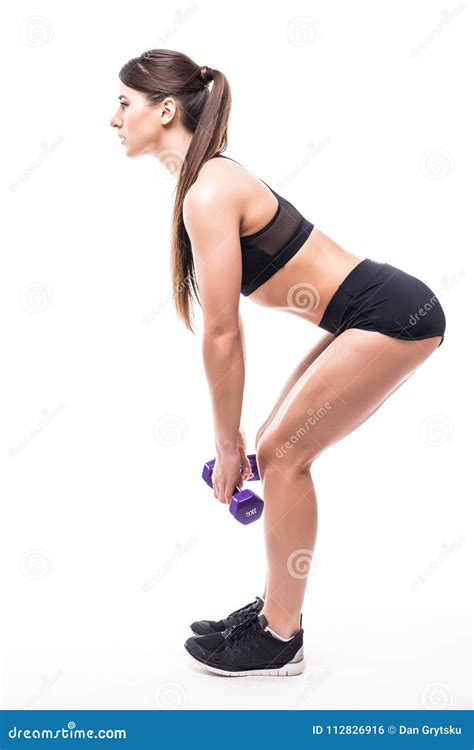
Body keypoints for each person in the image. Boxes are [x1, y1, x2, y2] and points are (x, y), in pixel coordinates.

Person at [110, 49, 446, 678]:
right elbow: (221, 330)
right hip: (370, 312)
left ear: (163, 109)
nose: (114, 118)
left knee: (285, 456)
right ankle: (274, 610)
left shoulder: (208, 191)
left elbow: (221, 331)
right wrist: (240, 440)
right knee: (276, 446)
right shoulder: (205, 184)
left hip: (391, 313)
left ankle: (279, 637)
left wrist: (224, 443)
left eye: (123, 103)